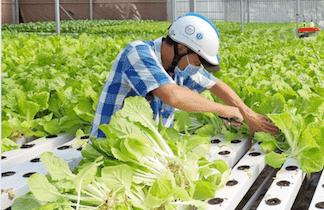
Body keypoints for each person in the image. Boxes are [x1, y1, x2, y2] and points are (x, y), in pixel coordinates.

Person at [90, 13, 279, 138]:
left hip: (145, 150)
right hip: (111, 148)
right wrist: (221, 109)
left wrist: (248, 114)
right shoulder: (138, 52)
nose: (196, 69)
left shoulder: (178, 66)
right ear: (181, 48)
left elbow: (214, 84)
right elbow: (172, 95)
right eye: (197, 62)